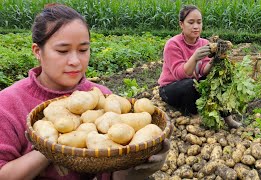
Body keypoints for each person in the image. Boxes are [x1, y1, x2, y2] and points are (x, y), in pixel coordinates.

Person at [0, 4, 169, 180]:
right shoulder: (8, 104)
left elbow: (111, 175)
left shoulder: (104, 100)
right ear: (37, 51)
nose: (75, 61)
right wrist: (49, 148)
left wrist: (135, 169)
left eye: (83, 50)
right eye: (62, 51)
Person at [158, 5, 242, 129]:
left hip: (192, 83)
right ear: (181, 24)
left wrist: (215, 60)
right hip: (171, 88)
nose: (196, 26)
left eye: (199, 22)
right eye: (191, 22)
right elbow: (179, 74)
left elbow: (203, 71)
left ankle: (228, 118)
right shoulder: (173, 44)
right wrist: (194, 57)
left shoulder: (204, 43)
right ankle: (192, 116)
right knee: (190, 84)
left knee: (219, 80)